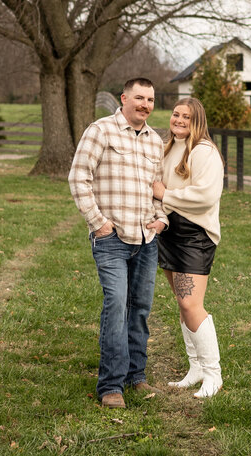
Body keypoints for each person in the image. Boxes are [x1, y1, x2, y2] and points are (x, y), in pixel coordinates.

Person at [69, 77, 168, 409]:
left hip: (146, 238)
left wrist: (161, 218)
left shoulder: (155, 141)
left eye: (150, 100)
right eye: (139, 98)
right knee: (116, 307)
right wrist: (99, 223)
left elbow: (157, 186)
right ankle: (110, 385)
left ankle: (135, 376)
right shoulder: (101, 131)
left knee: (139, 310)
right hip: (111, 238)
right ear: (124, 98)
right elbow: (78, 177)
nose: (145, 105)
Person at [151, 97, 224, 398]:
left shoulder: (204, 151)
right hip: (170, 231)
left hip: (194, 235)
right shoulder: (168, 147)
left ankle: (213, 374)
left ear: (198, 121)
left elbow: (205, 195)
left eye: (187, 117)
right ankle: (195, 369)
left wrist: (165, 194)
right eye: (176, 114)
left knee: (192, 305)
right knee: (183, 305)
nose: (179, 120)